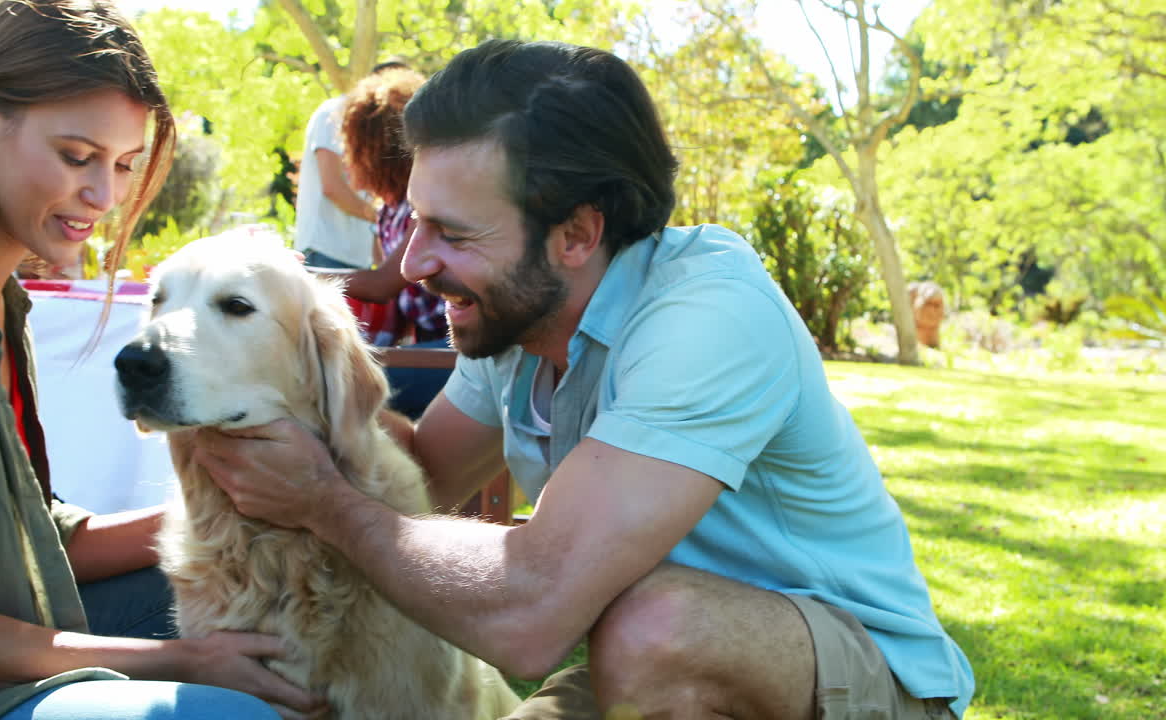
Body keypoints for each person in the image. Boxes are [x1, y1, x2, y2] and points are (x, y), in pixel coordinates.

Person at [189, 39, 975, 719]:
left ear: (577, 234)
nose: (415, 264)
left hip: (862, 681)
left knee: (655, 627)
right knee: (649, 635)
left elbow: (531, 617)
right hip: (655, 669)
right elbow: (426, 473)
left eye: (451, 233)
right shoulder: (515, 318)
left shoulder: (707, 316)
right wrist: (291, 388)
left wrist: (324, 502)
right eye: (415, 221)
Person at [0, 2, 317, 719]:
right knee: (229, 711)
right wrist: (186, 660)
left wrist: (241, 499)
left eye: (123, 164)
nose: (105, 197)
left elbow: (35, 536)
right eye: (77, 157)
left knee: (270, 596)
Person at [333, 66, 451, 419]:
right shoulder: (388, 214)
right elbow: (399, 312)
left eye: (350, 146)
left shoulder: (426, 207)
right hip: (429, 349)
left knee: (347, 389)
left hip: (459, 353)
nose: (345, 158)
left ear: (372, 148)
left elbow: (381, 284)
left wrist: (297, 276)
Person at [294, 60, 411, 270]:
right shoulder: (334, 113)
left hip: (359, 260)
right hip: (325, 252)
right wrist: (385, 219)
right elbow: (333, 187)